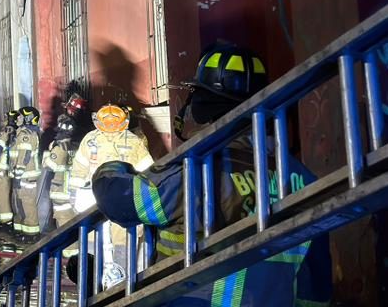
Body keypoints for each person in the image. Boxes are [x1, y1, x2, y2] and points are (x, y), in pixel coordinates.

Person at [91, 43, 332, 306]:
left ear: (203, 105)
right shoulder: (303, 179)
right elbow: (315, 288)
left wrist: (112, 166)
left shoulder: (195, 172)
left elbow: (120, 199)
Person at [68, 103, 153, 288]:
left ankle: (98, 283)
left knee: (110, 236)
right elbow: (148, 172)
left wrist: (74, 195)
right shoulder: (133, 141)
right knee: (117, 235)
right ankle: (117, 282)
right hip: (119, 196)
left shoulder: (91, 140)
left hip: (104, 195)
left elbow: (78, 169)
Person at [37, 113, 79, 235]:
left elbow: (49, 166)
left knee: (63, 223)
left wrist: (48, 152)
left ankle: (68, 252)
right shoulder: (76, 146)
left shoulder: (60, 147)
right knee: (73, 221)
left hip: (60, 191)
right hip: (73, 192)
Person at [8, 106, 43, 238]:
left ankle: (31, 233)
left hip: (25, 176)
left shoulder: (27, 135)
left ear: (28, 119)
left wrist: (18, 173)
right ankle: (21, 229)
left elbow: (24, 155)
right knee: (18, 204)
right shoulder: (21, 133)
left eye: (20, 116)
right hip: (20, 175)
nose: (17, 118)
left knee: (27, 204)